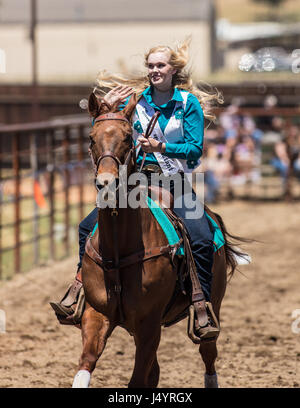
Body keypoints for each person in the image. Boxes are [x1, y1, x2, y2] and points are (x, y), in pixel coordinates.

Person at [50, 39, 223, 338]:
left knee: (202, 235)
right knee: (86, 226)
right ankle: (79, 288)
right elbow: (108, 130)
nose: (155, 70)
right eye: (151, 66)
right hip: (135, 181)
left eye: (161, 66)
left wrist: (162, 146)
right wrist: (105, 108)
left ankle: (201, 304)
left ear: (173, 70)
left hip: (178, 181)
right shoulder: (136, 101)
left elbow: (195, 150)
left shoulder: (187, 104)